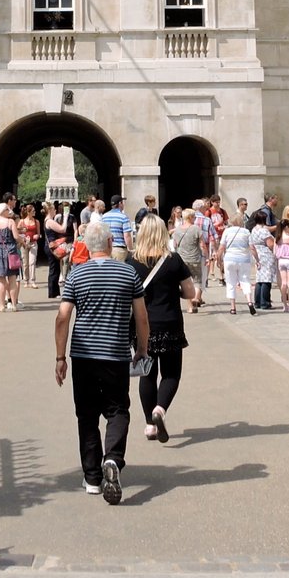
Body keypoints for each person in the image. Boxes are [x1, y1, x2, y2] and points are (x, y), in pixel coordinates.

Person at [54, 222, 147, 506]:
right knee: (118, 410)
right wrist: (142, 348)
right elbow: (141, 317)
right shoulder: (128, 272)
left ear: (87, 246)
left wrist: (60, 356)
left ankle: (93, 477)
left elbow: (63, 316)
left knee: (86, 414)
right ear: (109, 244)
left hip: (83, 355)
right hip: (115, 355)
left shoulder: (76, 274)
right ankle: (113, 459)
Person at [127, 215, 196, 442]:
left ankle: (149, 424)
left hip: (142, 324)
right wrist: (172, 291)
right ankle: (160, 409)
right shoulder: (173, 260)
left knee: (147, 374)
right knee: (172, 373)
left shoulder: (131, 261)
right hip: (169, 322)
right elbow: (190, 293)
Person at [170, 207, 204, 313]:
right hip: (195, 258)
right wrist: (206, 255)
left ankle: (190, 307)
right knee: (197, 281)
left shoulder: (178, 229)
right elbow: (202, 244)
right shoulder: (196, 229)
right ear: (191, 217)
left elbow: (174, 244)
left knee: (186, 283)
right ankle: (196, 298)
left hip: (182, 259)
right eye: (194, 217)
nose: (195, 219)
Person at [0, 202, 21, 311]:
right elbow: (16, 237)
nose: (9, 211)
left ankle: (2, 305)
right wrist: (22, 241)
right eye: (7, 209)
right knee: (12, 280)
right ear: (3, 211)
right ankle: (14, 305)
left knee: (1, 281)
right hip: (10, 251)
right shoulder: (10, 222)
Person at [220, 217, 256, 315]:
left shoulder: (227, 231)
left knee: (231, 282)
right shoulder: (246, 232)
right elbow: (252, 247)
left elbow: (222, 247)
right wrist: (257, 259)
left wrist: (218, 258)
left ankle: (233, 307)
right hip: (244, 259)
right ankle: (249, 302)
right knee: (245, 281)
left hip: (229, 259)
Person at [44, 200, 75, 299]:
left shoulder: (48, 220)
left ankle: (55, 291)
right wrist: (65, 218)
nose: (55, 210)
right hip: (52, 246)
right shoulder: (49, 221)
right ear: (49, 210)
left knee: (56, 268)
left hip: (51, 246)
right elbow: (62, 229)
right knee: (54, 269)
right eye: (53, 209)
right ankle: (53, 292)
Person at [251, 215, 277, 311]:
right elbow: (270, 244)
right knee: (266, 279)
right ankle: (265, 302)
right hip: (266, 254)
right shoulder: (264, 231)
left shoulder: (254, 230)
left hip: (257, 253)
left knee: (259, 278)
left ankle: (257, 302)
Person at [100, 195, 134, 260]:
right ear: (120, 203)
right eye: (122, 202)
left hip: (106, 249)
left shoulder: (104, 216)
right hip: (119, 250)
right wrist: (130, 249)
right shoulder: (123, 217)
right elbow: (127, 236)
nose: (123, 204)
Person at [18, 204, 40, 287]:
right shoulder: (22, 221)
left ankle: (33, 281)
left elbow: (38, 233)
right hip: (24, 243)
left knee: (32, 262)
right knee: (25, 263)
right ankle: (26, 280)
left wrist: (37, 236)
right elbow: (17, 232)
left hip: (33, 243)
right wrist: (22, 235)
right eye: (33, 211)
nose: (35, 212)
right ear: (28, 212)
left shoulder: (36, 221)